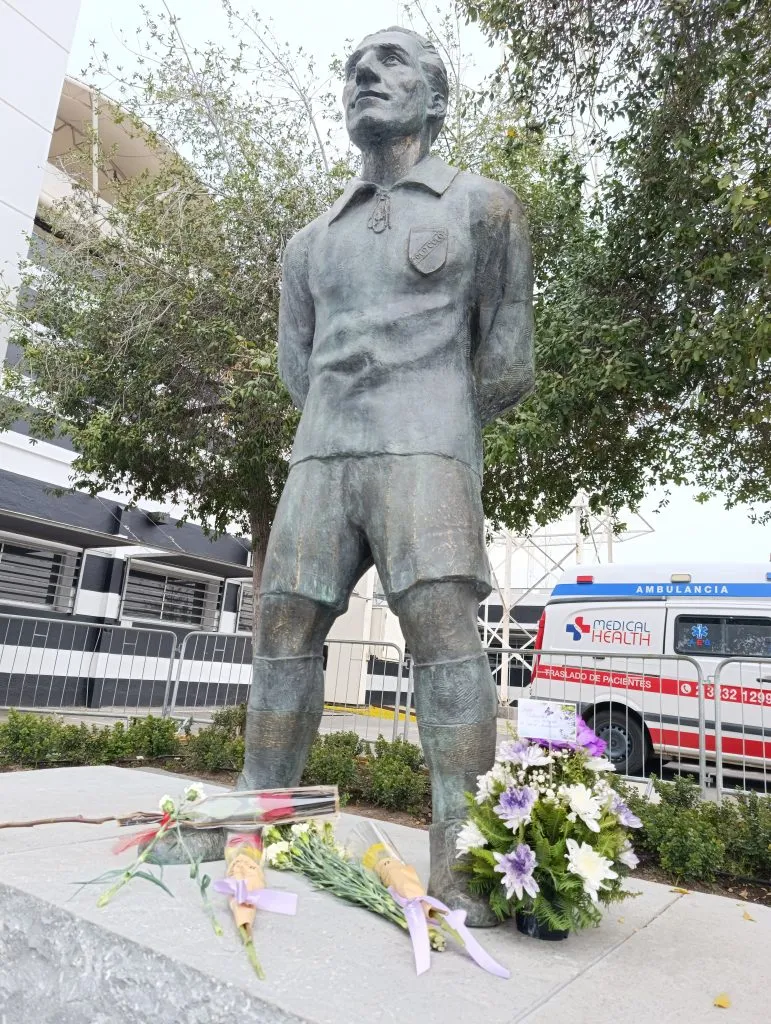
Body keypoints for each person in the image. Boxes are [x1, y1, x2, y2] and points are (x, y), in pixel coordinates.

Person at [156, 25, 534, 928]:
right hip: (321, 453)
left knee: (442, 630)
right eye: (354, 66)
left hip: (425, 449)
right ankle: (253, 815)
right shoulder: (306, 242)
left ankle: (461, 854)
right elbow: (299, 366)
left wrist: (428, 422)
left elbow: (508, 362)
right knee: (282, 626)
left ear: (436, 99)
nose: (365, 73)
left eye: (392, 61)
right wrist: (355, 417)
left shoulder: (484, 206)